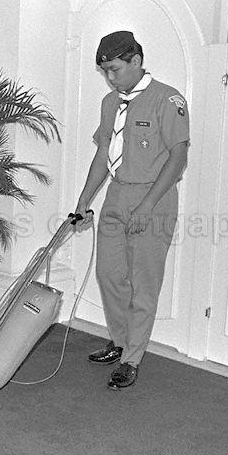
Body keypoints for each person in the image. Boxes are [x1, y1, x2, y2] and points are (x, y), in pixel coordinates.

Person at [74, 31, 189, 390]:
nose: (110, 78)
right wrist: (83, 202)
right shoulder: (111, 103)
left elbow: (178, 157)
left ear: (136, 61)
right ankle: (121, 341)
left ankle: (132, 358)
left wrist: (148, 205)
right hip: (117, 195)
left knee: (143, 284)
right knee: (109, 275)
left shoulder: (167, 100)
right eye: (105, 71)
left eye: (115, 69)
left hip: (153, 198)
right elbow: (102, 155)